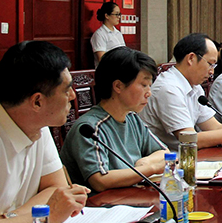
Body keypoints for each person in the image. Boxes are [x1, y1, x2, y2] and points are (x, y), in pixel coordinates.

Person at [0, 41, 88, 223]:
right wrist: (44, 218)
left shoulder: (36, 123)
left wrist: (8, 220)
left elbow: (55, 188)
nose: (73, 96)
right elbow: (52, 205)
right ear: (37, 102)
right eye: (67, 90)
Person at [61, 47, 168, 192]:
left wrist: (146, 161)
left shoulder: (132, 118)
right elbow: (100, 180)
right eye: (144, 85)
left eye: (150, 86)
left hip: (130, 197)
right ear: (118, 86)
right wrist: (151, 168)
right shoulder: (90, 128)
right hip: (100, 203)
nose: (149, 93)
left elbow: (164, 153)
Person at [139, 33, 222, 150]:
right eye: (210, 64)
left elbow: (214, 127)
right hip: (166, 158)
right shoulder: (168, 88)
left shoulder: (194, 86)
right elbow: (189, 140)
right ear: (191, 58)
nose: (212, 72)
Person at [90, 1, 125, 67]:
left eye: (119, 14)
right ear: (107, 16)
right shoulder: (99, 34)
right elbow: (102, 59)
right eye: (116, 14)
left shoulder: (118, 33)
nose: (119, 17)